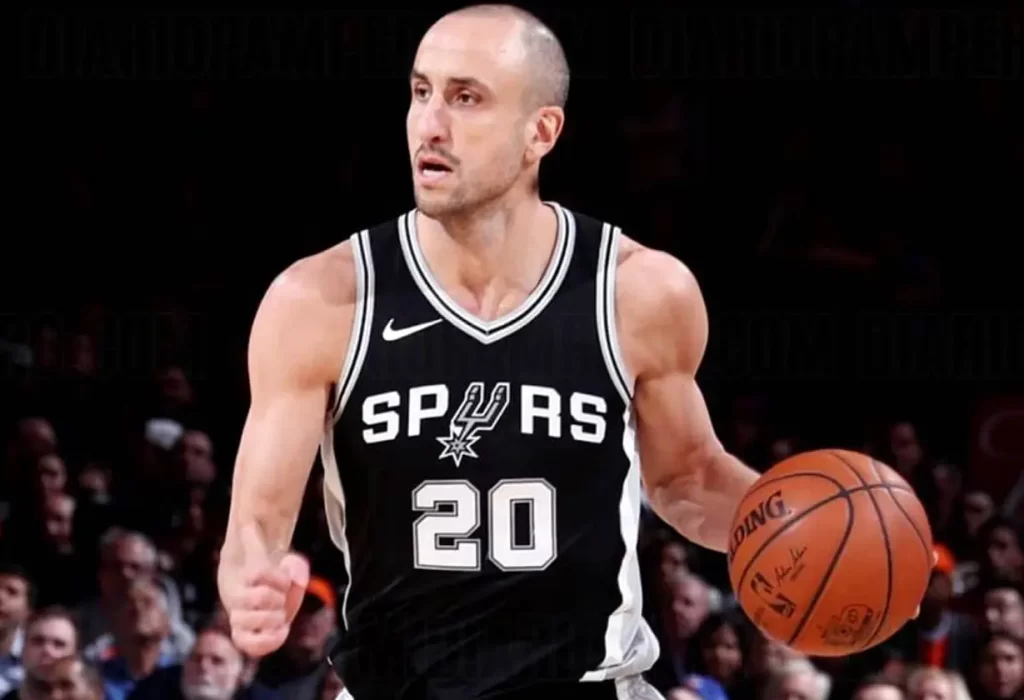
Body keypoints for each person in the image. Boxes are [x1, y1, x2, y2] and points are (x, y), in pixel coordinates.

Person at [216, 4, 760, 699]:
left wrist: (793, 520)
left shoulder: (639, 291)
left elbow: (686, 478)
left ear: (542, 131)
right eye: (421, 92)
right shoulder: (320, 299)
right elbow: (256, 523)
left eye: (466, 98)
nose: (430, 124)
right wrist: (252, 581)